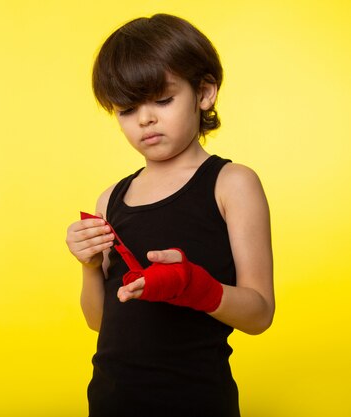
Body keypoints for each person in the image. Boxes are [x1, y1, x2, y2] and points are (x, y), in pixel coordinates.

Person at [65, 14, 274, 417]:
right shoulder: (111, 198)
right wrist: (89, 266)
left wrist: (194, 286)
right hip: (110, 400)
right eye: (127, 109)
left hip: (196, 400)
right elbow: (99, 323)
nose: (145, 119)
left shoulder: (231, 183)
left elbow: (260, 314)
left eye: (162, 100)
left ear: (205, 92)